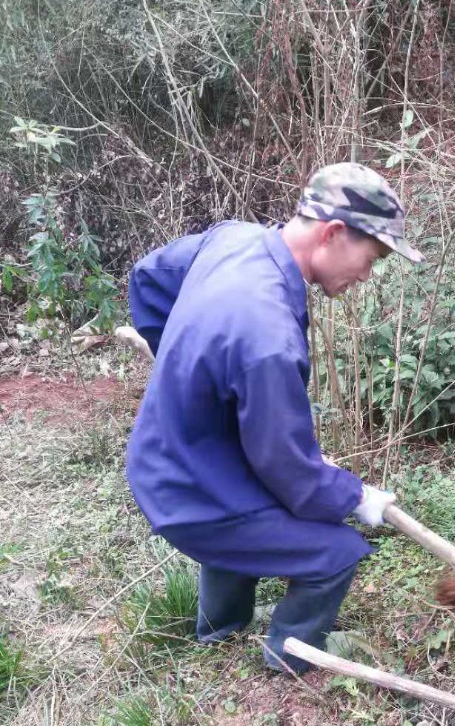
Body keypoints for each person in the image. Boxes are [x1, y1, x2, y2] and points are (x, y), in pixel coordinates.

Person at [125, 162, 423, 673]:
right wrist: (356, 497)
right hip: (187, 489)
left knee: (248, 498)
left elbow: (148, 278)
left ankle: (219, 634)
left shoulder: (235, 240)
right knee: (337, 553)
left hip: (168, 456)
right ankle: (288, 661)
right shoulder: (266, 336)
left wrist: (184, 361)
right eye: (370, 258)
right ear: (332, 233)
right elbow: (292, 473)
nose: (367, 275)